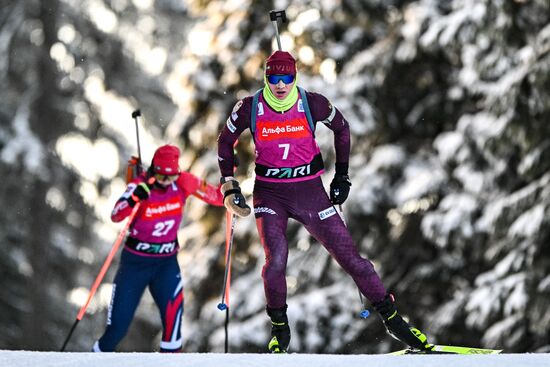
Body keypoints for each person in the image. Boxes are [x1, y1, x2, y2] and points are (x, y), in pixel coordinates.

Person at [217, 50, 433, 353]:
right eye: (273, 78)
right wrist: (229, 184)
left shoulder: (311, 102)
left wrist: (342, 176)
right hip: (270, 192)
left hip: (309, 191)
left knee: (351, 259)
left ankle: (395, 321)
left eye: (286, 78)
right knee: (276, 260)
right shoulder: (250, 107)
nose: (280, 84)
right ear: (266, 78)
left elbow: (342, 129)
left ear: (295, 77)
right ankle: (280, 328)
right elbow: (226, 140)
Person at [93, 144, 224, 352]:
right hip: (135, 264)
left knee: (173, 329)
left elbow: (217, 197)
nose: (166, 182)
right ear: (155, 170)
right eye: (162, 177)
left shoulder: (183, 181)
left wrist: (231, 179)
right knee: (117, 329)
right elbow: (116, 214)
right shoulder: (140, 184)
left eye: (171, 177)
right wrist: (135, 197)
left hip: (166, 264)